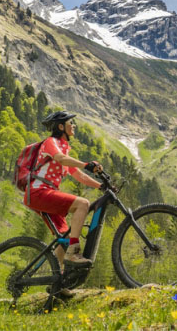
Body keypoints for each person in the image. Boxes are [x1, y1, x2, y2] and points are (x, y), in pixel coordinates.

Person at [25, 110, 103, 273]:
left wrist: (101, 186)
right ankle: (73, 253)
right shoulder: (51, 142)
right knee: (83, 204)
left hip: (45, 195)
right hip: (39, 192)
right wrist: (86, 164)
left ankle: (59, 283)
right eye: (70, 123)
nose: (73, 126)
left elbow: (78, 175)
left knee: (65, 238)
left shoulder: (63, 149)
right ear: (61, 127)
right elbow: (60, 159)